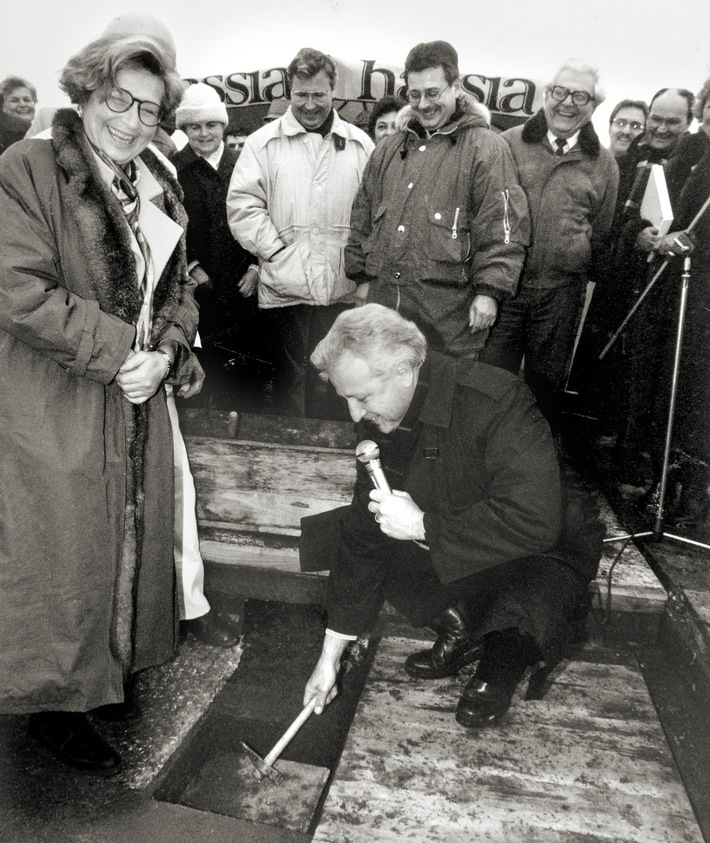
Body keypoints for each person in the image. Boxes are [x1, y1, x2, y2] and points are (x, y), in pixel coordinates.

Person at [0, 28, 199, 775]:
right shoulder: (27, 167)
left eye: (150, 109)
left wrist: (169, 350)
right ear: (84, 91)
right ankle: (54, 702)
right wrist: (123, 353)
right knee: (61, 547)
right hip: (54, 394)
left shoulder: (156, 176)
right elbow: (17, 290)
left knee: (125, 541)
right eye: (118, 100)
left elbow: (183, 285)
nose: (132, 121)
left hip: (134, 398)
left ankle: (105, 669)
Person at [302, 305, 602, 729]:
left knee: (532, 597)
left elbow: (535, 521)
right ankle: (461, 625)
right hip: (458, 535)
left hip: (540, 546)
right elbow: (362, 539)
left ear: (405, 371)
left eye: (362, 397)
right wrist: (330, 656)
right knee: (345, 531)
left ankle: (500, 659)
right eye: (346, 398)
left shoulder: (496, 398)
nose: (354, 414)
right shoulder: (382, 418)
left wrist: (422, 526)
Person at [345, 40, 528, 361]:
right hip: (386, 314)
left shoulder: (487, 149)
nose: (423, 104)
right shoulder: (389, 149)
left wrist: (489, 293)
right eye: (414, 95)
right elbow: (362, 214)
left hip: (449, 323)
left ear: (456, 87)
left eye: (433, 93)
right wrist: (361, 277)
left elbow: (503, 229)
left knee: (441, 406)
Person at [227, 48, 374, 418]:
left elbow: (376, 212)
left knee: (337, 386)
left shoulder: (360, 144)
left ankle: (336, 467)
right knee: (289, 387)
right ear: (289, 92)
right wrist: (277, 252)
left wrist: (361, 268)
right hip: (285, 290)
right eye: (301, 94)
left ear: (333, 92)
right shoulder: (263, 143)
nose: (310, 105)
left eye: (319, 95)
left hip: (342, 291)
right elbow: (242, 206)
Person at [480, 58, 618, 437]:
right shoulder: (507, 144)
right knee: (490, 381)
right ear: (545, 95)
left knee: (544, 390)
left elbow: (601, 229)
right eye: (560, 92)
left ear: (594, 106)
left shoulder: (604, 163)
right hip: (506, 289)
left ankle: (530, 473)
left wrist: (572, 259)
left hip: (561, 294)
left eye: (581, 96)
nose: (568, 103)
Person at [592, 88, 694, 481]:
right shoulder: (626, 158)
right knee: (606, 366)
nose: (662, 128)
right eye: (657, 118)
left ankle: (630, 455)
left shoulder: (691, 165)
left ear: (689, 123)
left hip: (664, 291)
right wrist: (637, 233)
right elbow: (611, 216)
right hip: (620, 280)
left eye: (673, 122)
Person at [172, 82, 267, 410]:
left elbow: (265, 214)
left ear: (223, 126)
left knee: (249, 364)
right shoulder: (174, 170)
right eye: (194, 126)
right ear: (184, 128)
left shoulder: (245, 163)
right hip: (201, 289)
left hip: (246, 285)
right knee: (208, 363)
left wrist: (257, 266)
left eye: (211, 124)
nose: (203, 133)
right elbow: (168, 226)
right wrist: (192, 268)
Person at [0, 75, 38, 154]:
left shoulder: (39, 131)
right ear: (2, 106)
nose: (22, 104)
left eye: (27, 100)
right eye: (14, 100)